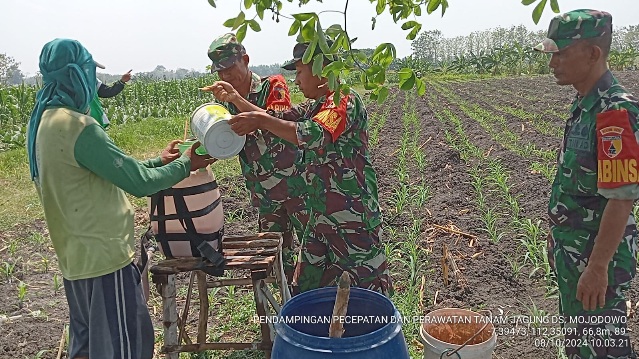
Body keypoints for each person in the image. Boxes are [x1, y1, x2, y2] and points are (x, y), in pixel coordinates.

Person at [26, 38, 212, 359]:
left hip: (76, 262)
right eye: (88, 71)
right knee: (124, 346)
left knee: (87, 347)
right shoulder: (79, 126)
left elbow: (117, 171)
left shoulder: (45, 123)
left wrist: (160, 161)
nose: (92, 80)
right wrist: (185, 164)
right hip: (105, 260)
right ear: (77, 74)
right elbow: (139, 184)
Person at [228, 41, 392, 296]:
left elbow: (312, 134)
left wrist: (259, 120)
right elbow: (277, 118)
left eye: (300, 72)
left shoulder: (342, 101)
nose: (297, 81)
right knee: (305, 290)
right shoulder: (315, 106)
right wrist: (237, 100)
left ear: (321, 70)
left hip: (351, 222)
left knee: (367, 294)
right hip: (319, 220)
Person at [536, 10, 639, 359]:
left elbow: (621, 199)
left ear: (593, 54)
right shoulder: (584, 105)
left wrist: (597, 269)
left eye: (561, 52)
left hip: (595, 262)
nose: (552, 62)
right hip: (573, 254)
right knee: (580, 348)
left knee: (603, 350)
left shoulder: (614, 112)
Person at [200, 33, 302, 274]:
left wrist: (237, 100)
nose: (225, 76)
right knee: (276, 260)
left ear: (245, 60)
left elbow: (278, 122)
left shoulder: (273, 85)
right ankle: (287, 304)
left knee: (313, 252)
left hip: (298, 188)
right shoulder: (225, 103)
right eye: (220, 72)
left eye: (230, 68)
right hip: (265, 194)